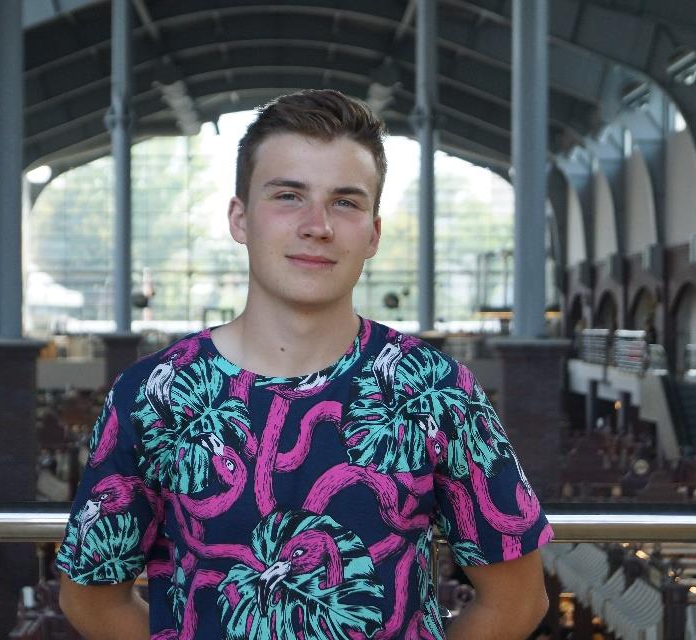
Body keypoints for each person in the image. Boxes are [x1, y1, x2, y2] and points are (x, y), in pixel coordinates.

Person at [57, 89, 553, 640]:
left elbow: (517, 600)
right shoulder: (155, 394)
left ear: (373, 233)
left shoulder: (435, 391)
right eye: (289, 196)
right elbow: (91, 597)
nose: (318, 225)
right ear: (240, 219)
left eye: (345, 202)